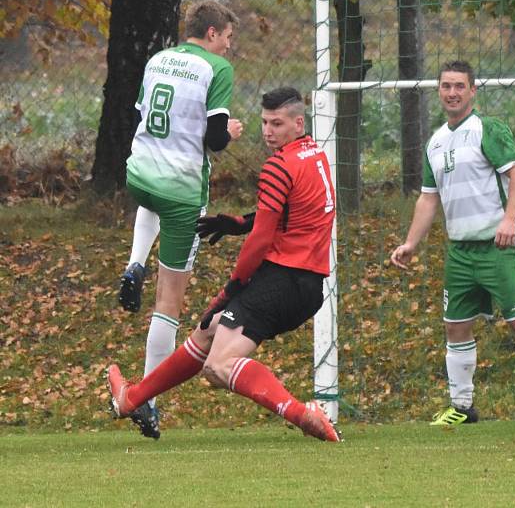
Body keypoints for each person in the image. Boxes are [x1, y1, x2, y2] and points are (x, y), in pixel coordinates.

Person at [107, 87, 340, 443]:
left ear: (298, 122)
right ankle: (132, 399)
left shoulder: (279, 166)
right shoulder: (316, 157)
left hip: (280, 280)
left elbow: (261, 242)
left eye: (277, 123)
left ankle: (301, 413)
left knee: (218, 366)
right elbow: (291, 215)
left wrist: (230, 289)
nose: (268, 131)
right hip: (306, 286)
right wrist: (239, 222)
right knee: (209, 330)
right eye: (264, 122)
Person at [390, 60, 515, 426]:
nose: (452, 93)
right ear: (439, 91)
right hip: (459, 252)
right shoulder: (436, 141)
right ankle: (462, 406)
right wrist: (412, 243)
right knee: (455, 326)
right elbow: (429, 198)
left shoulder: (487, 130)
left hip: (497, 247)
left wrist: (510, 219)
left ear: (473, 91)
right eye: (446, 86)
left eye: (460, 86)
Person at [116, 0, 242, 438]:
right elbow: (214, 140)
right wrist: (231, 131)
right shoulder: (216, 69)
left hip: (139, 173)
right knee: (167, 304)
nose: (229, 46)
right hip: (182, 193)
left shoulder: (158, 58)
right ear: (212, 34)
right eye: (228, 38)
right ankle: (148, 401)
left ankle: (135, 262)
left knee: (150, 198)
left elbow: (140, 114)